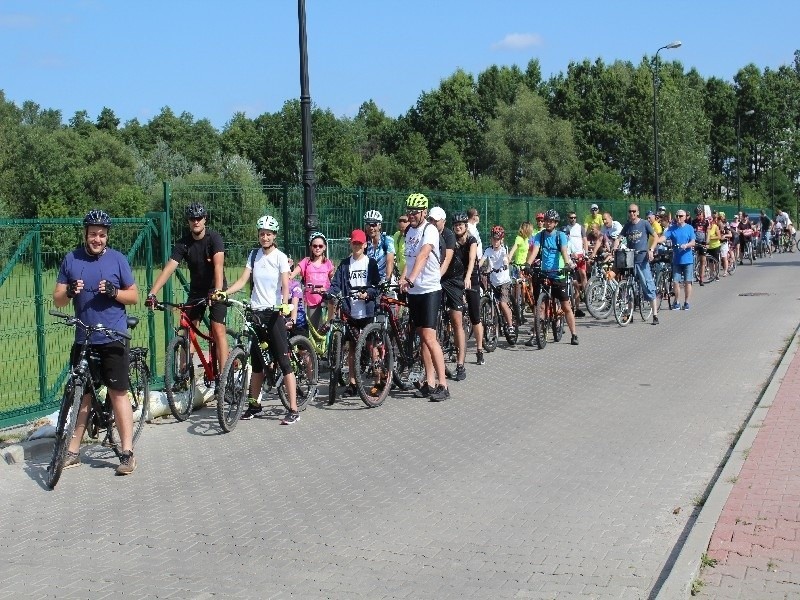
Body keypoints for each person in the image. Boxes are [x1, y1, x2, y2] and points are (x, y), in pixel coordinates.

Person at [52, 210, 140, 475]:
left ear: (106, 237)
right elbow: (57, 298)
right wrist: (68, 291)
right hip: (84, 338)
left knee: (118, 393)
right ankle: (73, 451)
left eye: (101, 235)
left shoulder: (117, 260)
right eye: (93, 234)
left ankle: (127, 453)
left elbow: (134, 296)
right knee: (83, 396)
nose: (97, 239)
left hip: (113, 336)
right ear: (85, 234)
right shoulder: (71, 259)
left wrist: (115, 293)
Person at [217, 215, 300, 425]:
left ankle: (293, 408)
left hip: (273, 313)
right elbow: (244, 279)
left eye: (268, 234)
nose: (265, 237)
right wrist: (225, 293)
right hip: (255, 312)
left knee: (283, 362)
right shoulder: (254, 255)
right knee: (256, 364)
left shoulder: (280, 257)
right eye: (262, 233)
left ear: (274, 236)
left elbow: (285, 284)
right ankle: (254, 405)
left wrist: (284, 303)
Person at [146, 202, 228, 376]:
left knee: (217, 328)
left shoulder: (214, 238)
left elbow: (218, 266)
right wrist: (152, 293)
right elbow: (169, 268)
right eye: (192, 219)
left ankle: (225, 376)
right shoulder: (183, 244)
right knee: (188, 330)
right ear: (188, 221)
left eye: (199, 218)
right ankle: (184, 375)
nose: (196, 222)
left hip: (216, 288)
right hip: (197, 291)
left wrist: (218, 291)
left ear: (205, 219)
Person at [400, 193, 450, 401]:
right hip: (414, 291)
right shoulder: (409, 231)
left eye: (415, 212)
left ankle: (443, 385)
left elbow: (423, 254)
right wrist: (402, 280)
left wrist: (410, 279)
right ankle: (429, 383)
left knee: (430, 337)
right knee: (422, 338)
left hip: (429, 289)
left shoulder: (429, 230)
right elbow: (409, 260)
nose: (411, 215)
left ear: (423, 212)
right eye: (408, 211)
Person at [325, 229, 381, 400]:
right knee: (351, 349)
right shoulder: (344, 264)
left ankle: (378, 381)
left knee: (372, 347)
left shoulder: (370, 263)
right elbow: (336, 285)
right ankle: (352, 383)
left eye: (359, 243)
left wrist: (368, 294)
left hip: (367, 311)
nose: (356, 246)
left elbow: (376, 286)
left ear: (365, 245)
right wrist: (328, 293)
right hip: (350, 311)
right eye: (354, 242)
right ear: (351, 243)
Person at [525, 209, 579, 345]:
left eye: (551, 221)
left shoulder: (560, 236)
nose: (547, 223)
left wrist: (567, 264)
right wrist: (527, 264)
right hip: (544, 273)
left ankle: (574, 334)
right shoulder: (540, 236)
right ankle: (537, 334)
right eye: (546, 220)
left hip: (558, 273)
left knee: (566, 306)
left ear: (555, 223)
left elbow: (564, 252)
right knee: (540, 306)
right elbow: (535, 250)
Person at [430, 206, 467, 381]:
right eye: (431, 219)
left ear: (443, 222)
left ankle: (460, 364)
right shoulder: (427, 233)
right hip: (436, 279)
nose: (433, 223)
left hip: (452, 279)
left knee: (456, 319)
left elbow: (447, 259)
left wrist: (436, 276)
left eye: (436, 220)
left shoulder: (449, 235)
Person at [613, 203, 659, 325]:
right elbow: (619, 237)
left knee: (648, 285)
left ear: (638, 212)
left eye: (634, 211)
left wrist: (651, 250)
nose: (632, 213)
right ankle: (629, 314)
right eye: (630, 211)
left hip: (642, 260)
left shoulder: (644, 224)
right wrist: (615, 246)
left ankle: (655, 315)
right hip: (630, 260)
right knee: (629, 288)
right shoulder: (627, 226)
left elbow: (656, 237)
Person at [453, 212, 485, 365]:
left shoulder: (471, 240)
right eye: (456, 225)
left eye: (461, 224)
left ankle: (479, 349)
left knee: (474, 316)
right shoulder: (452, 240)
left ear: (466, 226)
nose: (458, 227)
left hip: (471, 278)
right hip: (457, 278)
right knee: (452, 314)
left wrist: (468, 277)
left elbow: (472, 259)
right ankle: (456, 348)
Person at [291, 231, 334, 332]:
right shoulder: (306, 262)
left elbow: (334, 280)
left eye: (320, 245)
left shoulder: (328, 263)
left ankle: (329, 323)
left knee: (333, 300)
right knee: (314, 330)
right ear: (311, 247)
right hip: (312, 299)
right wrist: (287, 266)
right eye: (314, 246)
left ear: (324, 247)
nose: (317, 248)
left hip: (325, 297)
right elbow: (292, 274)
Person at [481, 225, 516, 341]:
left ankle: (510, 326)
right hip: (493, 281)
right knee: (491, 302)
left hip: (504, 282)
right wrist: (477, 267)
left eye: (497, 239)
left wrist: (505, 264)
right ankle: (493, 324)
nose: (495, 242)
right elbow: (482, 261)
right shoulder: (488, 250)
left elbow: (505, 258)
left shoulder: (503, 249)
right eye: (493, 239)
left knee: (502, 304)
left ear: (501, 240)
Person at [660, 209, 696, 310]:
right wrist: (658, 240)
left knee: (687, 282)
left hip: (687, 259)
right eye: (677, 216)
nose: (679, 218)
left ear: (685, 217)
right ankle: (676, 301)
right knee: (676, 281)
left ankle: (687, 302)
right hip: (676, 260)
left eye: (681, 216)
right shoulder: (672, 228)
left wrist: (686, 245)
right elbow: (665, 236)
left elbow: (693, 242)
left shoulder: (689, 228)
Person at [562, 211, 587, 317]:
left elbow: (584, 240)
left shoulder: (579, 228)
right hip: (564, 265)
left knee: (579, 280)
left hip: (576, 258)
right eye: (571, 217)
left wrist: (583, 253)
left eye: (574, 217)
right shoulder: (562, 241)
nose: (573, 219)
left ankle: (579, 304)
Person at [364, 210, 396, 282]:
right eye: (368, 224)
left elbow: (390, 262)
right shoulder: (364, 241)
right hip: (368, 279)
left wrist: (387, 280)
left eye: (374, 225)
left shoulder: (387, 240)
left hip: (384, 279)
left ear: (379, 225)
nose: (371, 228)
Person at [691, 205, 710, 286]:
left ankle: (701, 279)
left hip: (702, 242)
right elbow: (691, 232)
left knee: (703, 261)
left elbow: (708, 233)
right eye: (697, 214)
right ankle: (691, 276)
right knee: (691, 259)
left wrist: (707, 242)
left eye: (699, 214)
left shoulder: (706, 222)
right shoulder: (693, 221)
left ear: (702, 214)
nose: (698, 216)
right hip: (695, 242)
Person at [392, 214, 410, 280]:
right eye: (399, 221)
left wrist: (403, 277)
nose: (401, 223)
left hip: (410, 274)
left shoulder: (413, 237)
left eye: (404, 221)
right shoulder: (397, 235)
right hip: (399, 274)